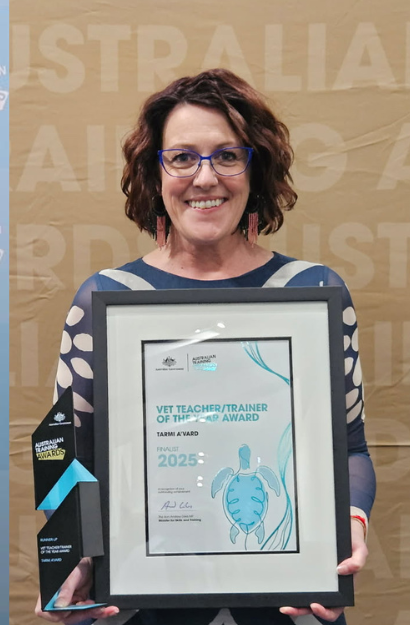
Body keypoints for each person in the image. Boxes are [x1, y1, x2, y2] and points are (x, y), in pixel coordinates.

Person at [36, 69, 376, 625]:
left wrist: (349, 527)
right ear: (155, 172)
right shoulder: (105, 299)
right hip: (140, 604)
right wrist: (70, 559)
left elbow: (352, 450)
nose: (205, 177)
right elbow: (71, 457)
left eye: (226, 156)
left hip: (287, 600)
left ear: (255, 169)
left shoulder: (313, 294)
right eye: (182, 157)